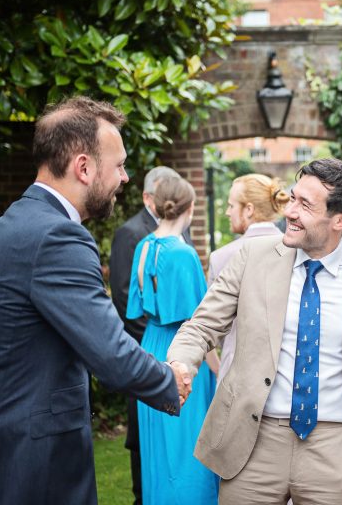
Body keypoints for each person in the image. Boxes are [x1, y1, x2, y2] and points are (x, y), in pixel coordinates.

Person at [0, 96, 183, 505]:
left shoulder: (11, 222)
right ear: (83, 167)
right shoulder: (57, 236)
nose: (124, 178)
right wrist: (169, 380)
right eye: (118, 165)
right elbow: (112, 354)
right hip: (26, 466)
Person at [168, 158, 342, 504]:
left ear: (340, 220)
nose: (289, 211)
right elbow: (202, 325)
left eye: (305, 204)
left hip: (337, 449)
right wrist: (181, 362)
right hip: (252, 445)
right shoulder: (251, 257)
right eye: (292, 198)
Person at [126, 174, 219, 504]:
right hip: (182, 353)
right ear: (190, 208)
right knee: (187, 448)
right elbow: (200, 323)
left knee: (158, 450)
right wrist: (220, 371)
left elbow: (135, 307)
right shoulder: (184, 254)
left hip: (150, 348)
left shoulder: (143, 245)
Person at [109, 165, 192, 505]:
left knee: (173, 438)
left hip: (164, 344)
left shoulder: (163, 238)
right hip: (162, 348)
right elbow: (125, 296)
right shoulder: (133, 235)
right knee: (156, 439)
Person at [207, 173, 289, 382]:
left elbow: (210, 326)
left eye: (231, 205)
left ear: (249, 209)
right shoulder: (296, 251)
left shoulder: (222, 258)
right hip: (286, 373)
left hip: (237, 374)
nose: (227, 212)